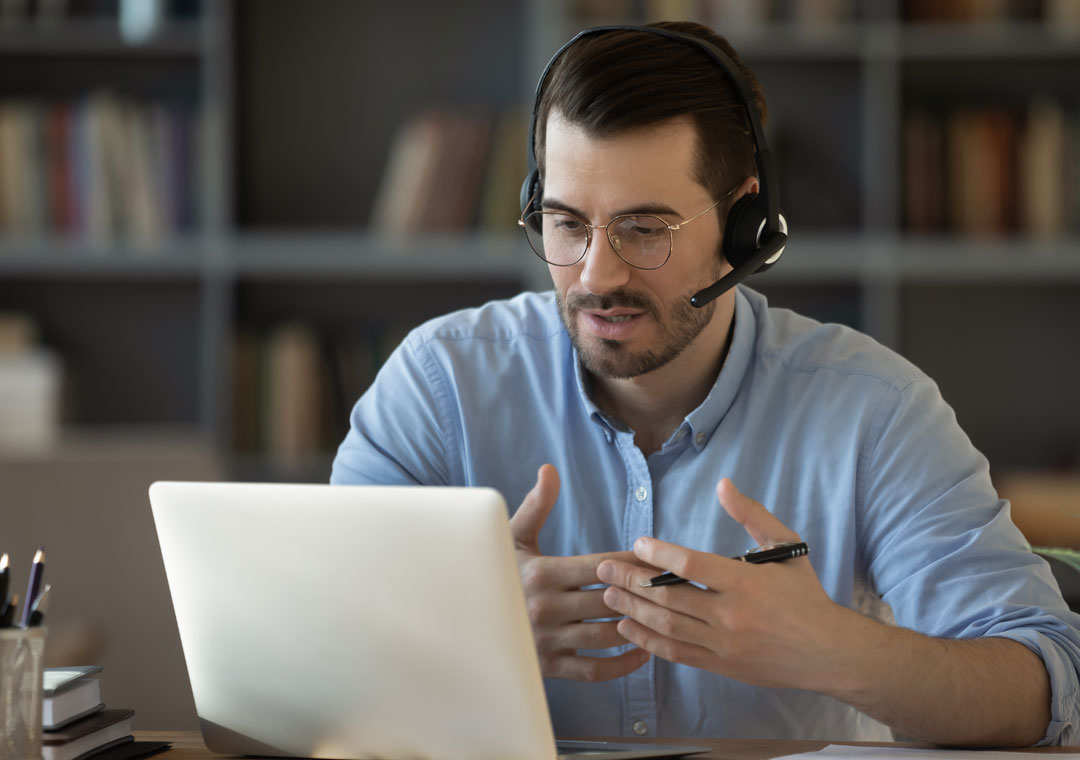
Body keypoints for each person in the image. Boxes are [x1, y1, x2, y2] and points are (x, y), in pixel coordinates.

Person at [331, 20, 1080, 747]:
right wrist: (466, 621)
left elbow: (1044, 685)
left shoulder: (873, 410)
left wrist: (830, 648)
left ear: (744, 223)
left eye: (645, 229)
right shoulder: (439, 384)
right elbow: (305, 639)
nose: (596, 276)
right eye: (565, 223)